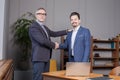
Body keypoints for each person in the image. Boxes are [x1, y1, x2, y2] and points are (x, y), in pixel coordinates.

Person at [29, 8, 69, 80]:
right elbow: (42, 41)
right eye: (39, 14)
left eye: (44, 14)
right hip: (39, 58)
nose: (42, 16)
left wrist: (66, 31)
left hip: (46, 58)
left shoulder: (44, 27)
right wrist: (54, 45)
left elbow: (54, 33)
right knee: (38, 78)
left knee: (45, 78)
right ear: (36, 15)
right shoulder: (33, 27)